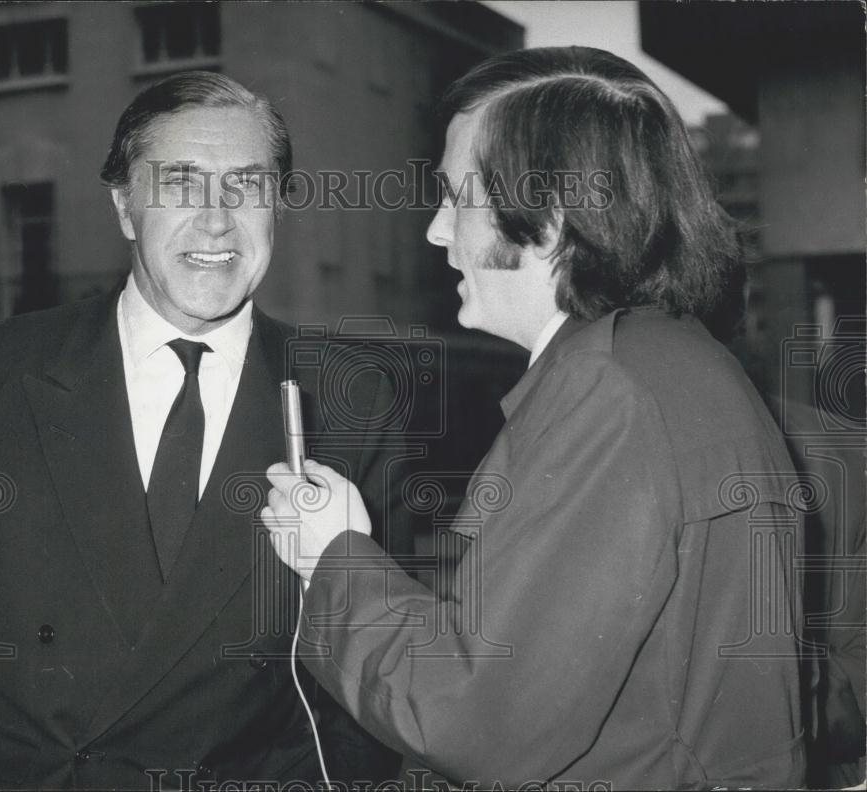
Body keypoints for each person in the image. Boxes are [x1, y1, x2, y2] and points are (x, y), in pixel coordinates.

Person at [263, 47, 806, 789]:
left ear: (549, 216)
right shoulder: (674, 364)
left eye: (457, 198)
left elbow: (475, 719)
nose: (435, 230)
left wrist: (332, 556)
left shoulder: (608, 392)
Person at [0, 72, 409, 789]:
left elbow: (371, 677)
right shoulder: (3, 370)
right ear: (125, 207)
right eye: (182, 184)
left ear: (277, 206)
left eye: (246, 186)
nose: (217, 220)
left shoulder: (349, 400)